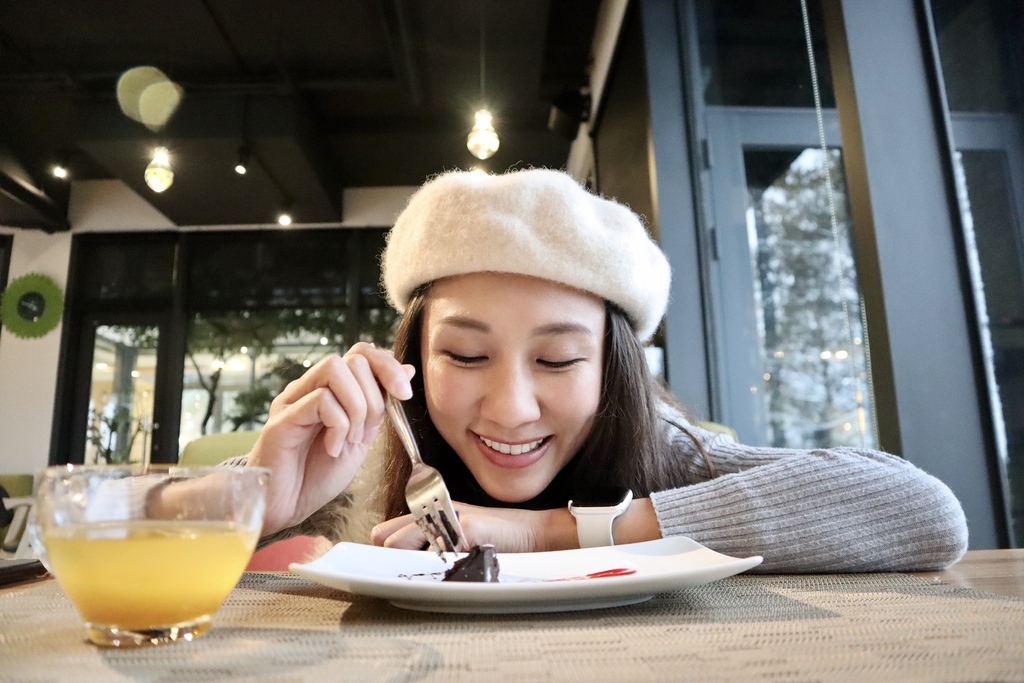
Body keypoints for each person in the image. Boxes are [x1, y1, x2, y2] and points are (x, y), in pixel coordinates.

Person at [240, 168, 968, 573]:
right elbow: (130, 568)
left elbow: (923, 510)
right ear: (416, 359)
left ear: (612, 370)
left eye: (556, 358)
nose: (511, 407)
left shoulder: (663, 450)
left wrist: (542, 533)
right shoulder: (367, 451)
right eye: (464, 355)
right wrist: (257, 503)